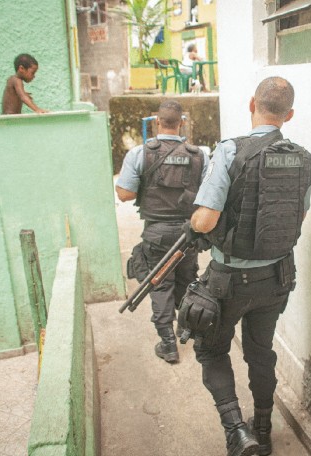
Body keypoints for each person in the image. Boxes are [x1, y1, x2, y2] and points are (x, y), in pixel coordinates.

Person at [184, 77, 311, 456]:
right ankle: (264, 429)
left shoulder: (230, 151)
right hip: (276, 278)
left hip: (229, 282)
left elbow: (205, 221)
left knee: (210, 350)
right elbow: (300, 216)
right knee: (260, 351)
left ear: (250, 104)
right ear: (289, 115)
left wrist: (193, 224)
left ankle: (237, 432)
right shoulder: (302, 157)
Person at [115, 100, 209, 364]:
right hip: (188, 233)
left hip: (156, 234)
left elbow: (124, 194)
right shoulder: (200, 154)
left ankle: (168, 344)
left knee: (160, 284)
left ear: (157, 121)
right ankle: (188, 329)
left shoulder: (139, 154)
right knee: (188, 280)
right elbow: (210, 195)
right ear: (182, 123)